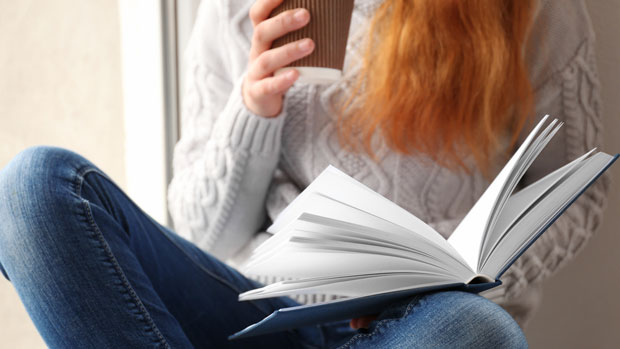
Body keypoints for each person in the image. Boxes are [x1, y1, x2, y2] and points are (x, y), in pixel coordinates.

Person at [0, 0, 608, 347]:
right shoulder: (238, 12)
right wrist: (252, 110)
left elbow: (577, 191)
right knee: (34, 189)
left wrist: (453, 272)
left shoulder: (529, 9)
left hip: (421, 323)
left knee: (474, 332)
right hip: (260, 314)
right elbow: (202, 233)